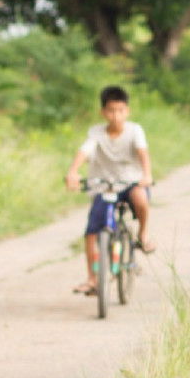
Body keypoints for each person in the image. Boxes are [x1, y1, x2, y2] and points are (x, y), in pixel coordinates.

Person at [64, 85, 155, 295]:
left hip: (131, 183)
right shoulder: (96, 132)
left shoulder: (135, 131)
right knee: (91, 232)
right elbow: (85, 150)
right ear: (103, 112)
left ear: (127, 111)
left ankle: (143, 234)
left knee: (140, 198)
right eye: (111, 111)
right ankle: (92, 278)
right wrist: (73, 172)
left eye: (120, 110)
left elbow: (143, 153)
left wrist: (147, 175)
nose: (116, 116)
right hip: (104, 185)